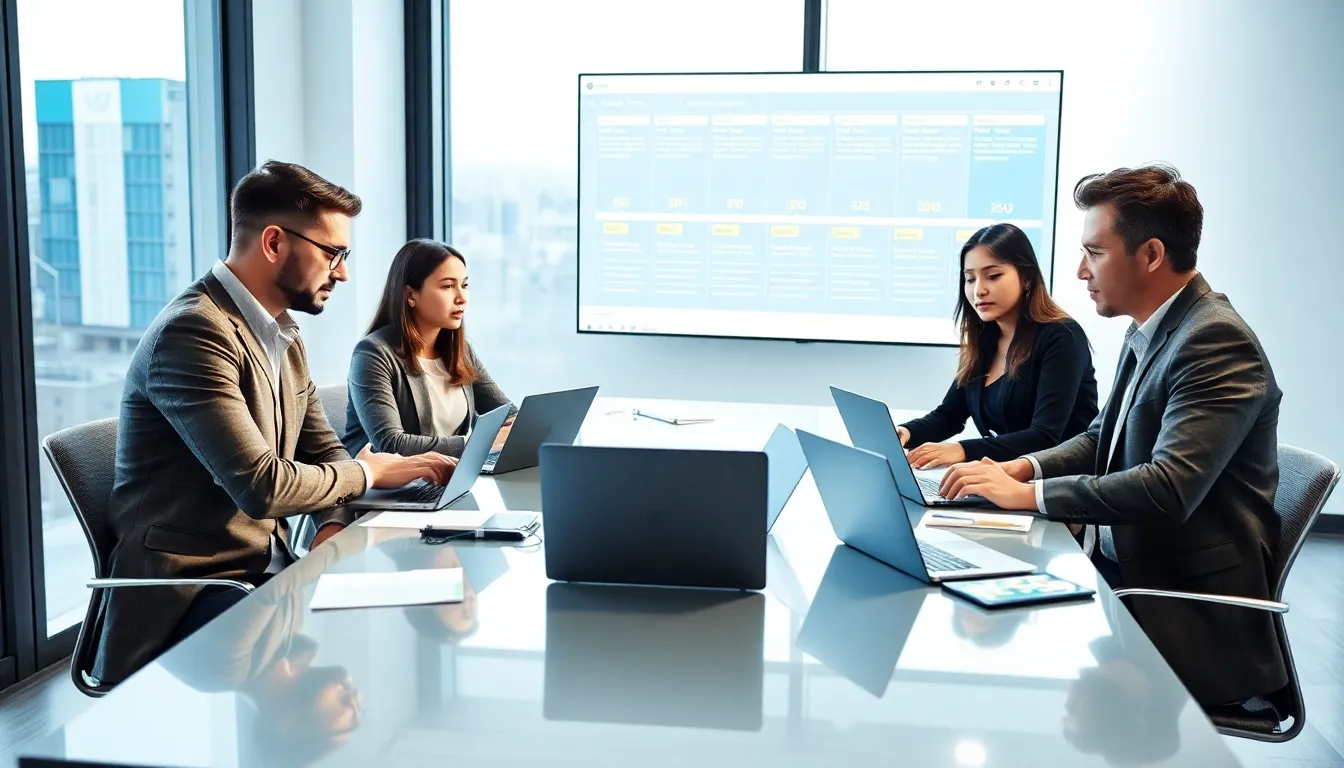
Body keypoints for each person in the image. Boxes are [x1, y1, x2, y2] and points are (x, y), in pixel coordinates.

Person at [95, 161, 457, 686]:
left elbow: (326, 452)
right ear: (273, 243)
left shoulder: (281, 336)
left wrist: (332, 524)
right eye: (334, 253)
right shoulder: (193, 334)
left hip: (266, 572)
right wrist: (371, 474)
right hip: (190, 590)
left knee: (396, 613)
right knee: (368, 646)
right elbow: (261, 487)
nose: (344, 272)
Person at [939, 164, 1288, 709]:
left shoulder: (1214, 339)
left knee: (1001, 672)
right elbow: (1102, 436)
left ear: (1150, 255)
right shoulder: (1150, 328)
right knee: (966, 611)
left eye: (1094, 252)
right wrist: (1023, 468)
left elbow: (1169, 487)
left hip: (1181, 612)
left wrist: (1030, 496)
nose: (1080, 271)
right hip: (1121, 575)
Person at [899, 223, 1099, 469]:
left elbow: (1045, 437)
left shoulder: (1062, 336)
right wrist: (905, 432)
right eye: (970, 279)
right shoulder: (984, 339)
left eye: (993, 276)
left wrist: (962, 450)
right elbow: (949, 416)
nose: (979, 290)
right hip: (1004, 482)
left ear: (1026, 277)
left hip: (1060, 488)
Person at [343, 239, 515, 459]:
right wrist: (475, 444)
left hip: (447, 481)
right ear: (410, 295)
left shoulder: (460, 351)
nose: (461, 298)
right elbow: (391, 444)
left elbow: (507, 415)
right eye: (447, 286)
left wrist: (515, 430)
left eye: (464, 285)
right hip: (383, 487)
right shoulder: (372, 354)